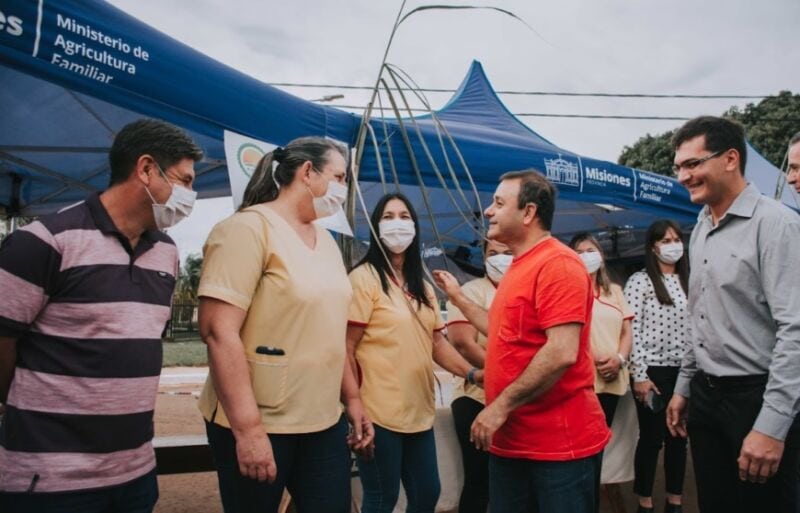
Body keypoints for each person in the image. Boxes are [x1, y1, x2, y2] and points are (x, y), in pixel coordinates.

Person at [0, 119, 202, 513]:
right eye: (185, 180)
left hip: (134, 475)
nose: (190, 195)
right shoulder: (45, 241)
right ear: (146, 169)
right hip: (51, 480)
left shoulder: (167, 253)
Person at [197, 138, 372, 513]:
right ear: (308, 172)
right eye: (340, 178)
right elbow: (218, 332)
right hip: (260, 421)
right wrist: (248, 430)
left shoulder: (327, 242)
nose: (344, 189)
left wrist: (353, 400)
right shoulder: (247, 229)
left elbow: (332, 331)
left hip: (322, 419)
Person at [434, 170, 611, 513]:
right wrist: (458, 299)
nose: (488, 211)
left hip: (556, 447)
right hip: (513, 442)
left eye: (499, 203)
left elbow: (561, 351)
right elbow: (502, 330)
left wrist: (498, 407)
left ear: (528, 212)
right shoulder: (519, 266)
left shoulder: (558, 263)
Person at [666, 116, 800, 513]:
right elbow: (699, 316)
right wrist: (684, 386)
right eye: (678, 167)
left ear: (730, 159)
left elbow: (795, 329)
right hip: (707, 397)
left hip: (757, 397)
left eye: (693, 164)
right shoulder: (700, 228)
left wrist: (772, 426)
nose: (683, 176)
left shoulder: (776, 224)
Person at [346, 192, 478, 513]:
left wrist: (473, 374)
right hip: (378, 412)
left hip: (419, 411)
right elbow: (345, 347)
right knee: (382, 498)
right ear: (376, 227)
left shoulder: (424, 287)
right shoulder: (363, 279)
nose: (398, 224)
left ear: (416, 228)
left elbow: (437, 344)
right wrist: (354, 404)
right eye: (388, 217)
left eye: (405, 217)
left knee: (427, 494)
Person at [623, 220, 690, 513]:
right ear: (653, 247)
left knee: (679, 437)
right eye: (665, 241)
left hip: (684, 372)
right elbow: (630, 331)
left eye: (676, 239)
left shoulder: (690, 281)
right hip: (651, 371)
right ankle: (645, 502)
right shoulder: (640, 281)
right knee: (651, 439)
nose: (672, 245)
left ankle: (674, 500)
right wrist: (639, 375)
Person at [446, 238, 513, 513]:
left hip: (518, 398)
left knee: (514, 480)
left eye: (508, 252)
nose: (500, 258)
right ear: (483, 258)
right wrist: (508, 374)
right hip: (476, 396)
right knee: (479, 478)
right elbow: (463, 343)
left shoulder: (526, 289)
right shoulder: (470, 292)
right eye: (493, 253)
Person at [568, 232, 633, 427]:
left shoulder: (615, 291)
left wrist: (619, 359)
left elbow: (626, 332)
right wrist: (593, 358)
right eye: (579, 252)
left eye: (590, 251)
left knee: (604, 433)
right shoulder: (567, 292)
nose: (586, 256)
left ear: (601, 256)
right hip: (581, 380)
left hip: (612, 377)